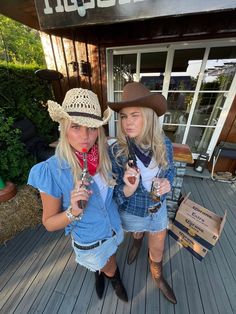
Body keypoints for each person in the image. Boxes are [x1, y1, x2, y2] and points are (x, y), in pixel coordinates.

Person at [28, 88, 128, 302]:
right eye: (76, 127)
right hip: (90, 238)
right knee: (108, 266)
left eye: (92, 128)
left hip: (112, 226)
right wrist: (73, 211)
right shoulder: (50, 171)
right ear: (64, 128)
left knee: (110, 257)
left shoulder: (105, 156)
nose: (85, 136)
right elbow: (49, 223)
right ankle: (114, 278)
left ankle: (105, 274)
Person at [108, 82, 177, 304]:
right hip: (133, 211)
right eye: (124, 116)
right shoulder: (117, 151)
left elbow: (171, 170)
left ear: (148, 116)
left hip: (158, 209)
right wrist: (127, 187)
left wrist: (168, 182)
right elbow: (114, 195)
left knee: (157, 246)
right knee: (137, 233)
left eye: (134, 115)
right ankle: (137, 242)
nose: (127, 122)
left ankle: (157, 275)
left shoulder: (164, 143)